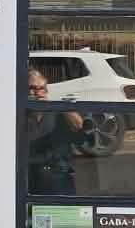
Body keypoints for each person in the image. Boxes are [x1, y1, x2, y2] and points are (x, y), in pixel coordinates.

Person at [25, 64, 88, 195]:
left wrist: (60, 106)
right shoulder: (18, 116)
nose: (38, 92)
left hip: (57, 179)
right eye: (32, 88)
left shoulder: (57, 113)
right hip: (28, 178)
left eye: (42, 88)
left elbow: (78, 128)